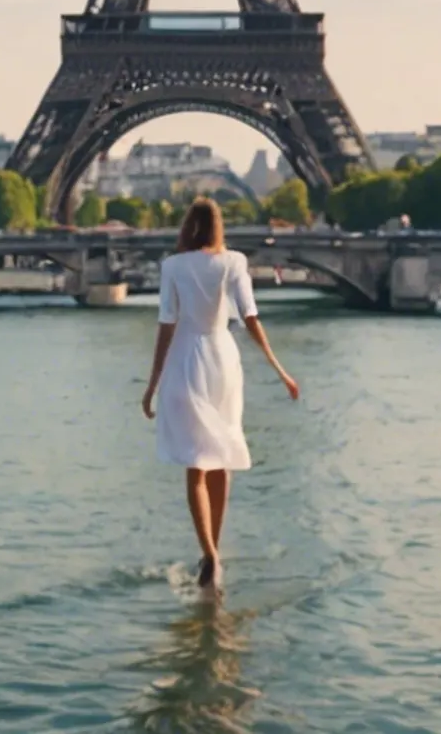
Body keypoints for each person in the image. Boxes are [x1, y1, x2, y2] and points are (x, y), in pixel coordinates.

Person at [139, 197, 299, 590]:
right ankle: (217, 551)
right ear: (219, 226)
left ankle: (207, 551)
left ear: (187, 227)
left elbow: (166, 325)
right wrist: (280, 369)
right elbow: (250, 317)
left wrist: (152, 384)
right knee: (221, 456)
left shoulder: (173, 266)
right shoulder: (234, 263)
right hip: (223, 360)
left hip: (185, 361)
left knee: (195, 465)